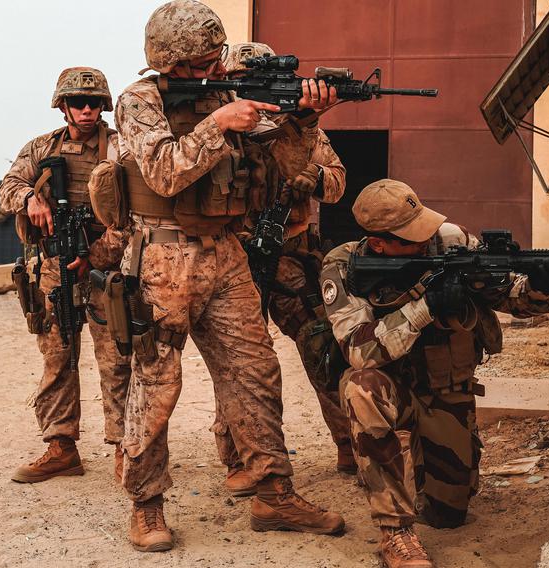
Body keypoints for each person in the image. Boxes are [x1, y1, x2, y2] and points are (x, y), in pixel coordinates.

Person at [114, 0, 345, 552]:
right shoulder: (139, 101)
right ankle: (146, 505)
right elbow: (166, 172)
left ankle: (273, 492)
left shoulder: (228, 94)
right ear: (167, 59)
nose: (212, 70)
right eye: (199, 62)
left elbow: (284, 169)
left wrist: (305, 119)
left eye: (213, 59)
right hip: (162, 257)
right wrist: (218, 124)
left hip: (226, 252)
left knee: (255, 370)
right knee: (156, 380)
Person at [320, 179, 549, 567]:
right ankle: (396, 532)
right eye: (411, 239)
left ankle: (413, 470)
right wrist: (427, 306)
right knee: (361, 389)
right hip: (390, 386)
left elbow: (512, 296)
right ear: (378, 244)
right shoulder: (342, 266)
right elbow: (361, 351)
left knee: (448, 515)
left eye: (422, 226)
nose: (426, 240)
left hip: (445, 388)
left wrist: (542, 286)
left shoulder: (454, 241)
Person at [212, 42, 356, 499]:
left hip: (294, 256)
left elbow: (337, 182)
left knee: (323, 347)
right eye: (238, 77)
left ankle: (349, 442)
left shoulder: (299, 127)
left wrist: (311, 178)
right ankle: (239, 457)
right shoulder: (222, 125)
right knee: (237, 362)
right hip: (238, 255)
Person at [0, 67, 131, 484]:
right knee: (57, 357)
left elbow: (137, 213)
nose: (87, 109)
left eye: (94, 103)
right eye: (78, 102)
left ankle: (126, 447)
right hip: (55, 267)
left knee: (117, 361)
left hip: (104, 268)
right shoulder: (42, 147)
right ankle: (60, 446)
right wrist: (27, 200)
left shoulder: (120, 148)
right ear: (63, 107)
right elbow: (9, 185)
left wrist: (96, 255)